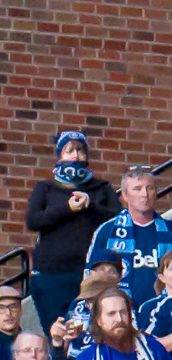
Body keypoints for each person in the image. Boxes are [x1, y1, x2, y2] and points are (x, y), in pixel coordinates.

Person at [27, 131, 118, 336]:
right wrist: (67, 208)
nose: (75, 156)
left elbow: (117, 219)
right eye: (69, 150)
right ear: (60, 156)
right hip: (51, 277)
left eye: (80, 150)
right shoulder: (46, 188)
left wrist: (90, 205)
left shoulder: (101, 188)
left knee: (91, 334)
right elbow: (33, 220)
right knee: (58, 334)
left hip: (89, 276)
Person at [86, 168, 172, 309]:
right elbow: (91, 280)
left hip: (168, 313)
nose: (144, 194)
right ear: (125, 195)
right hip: (120, 314)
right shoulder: (107, 231)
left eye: (150, 188)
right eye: (137, 189)